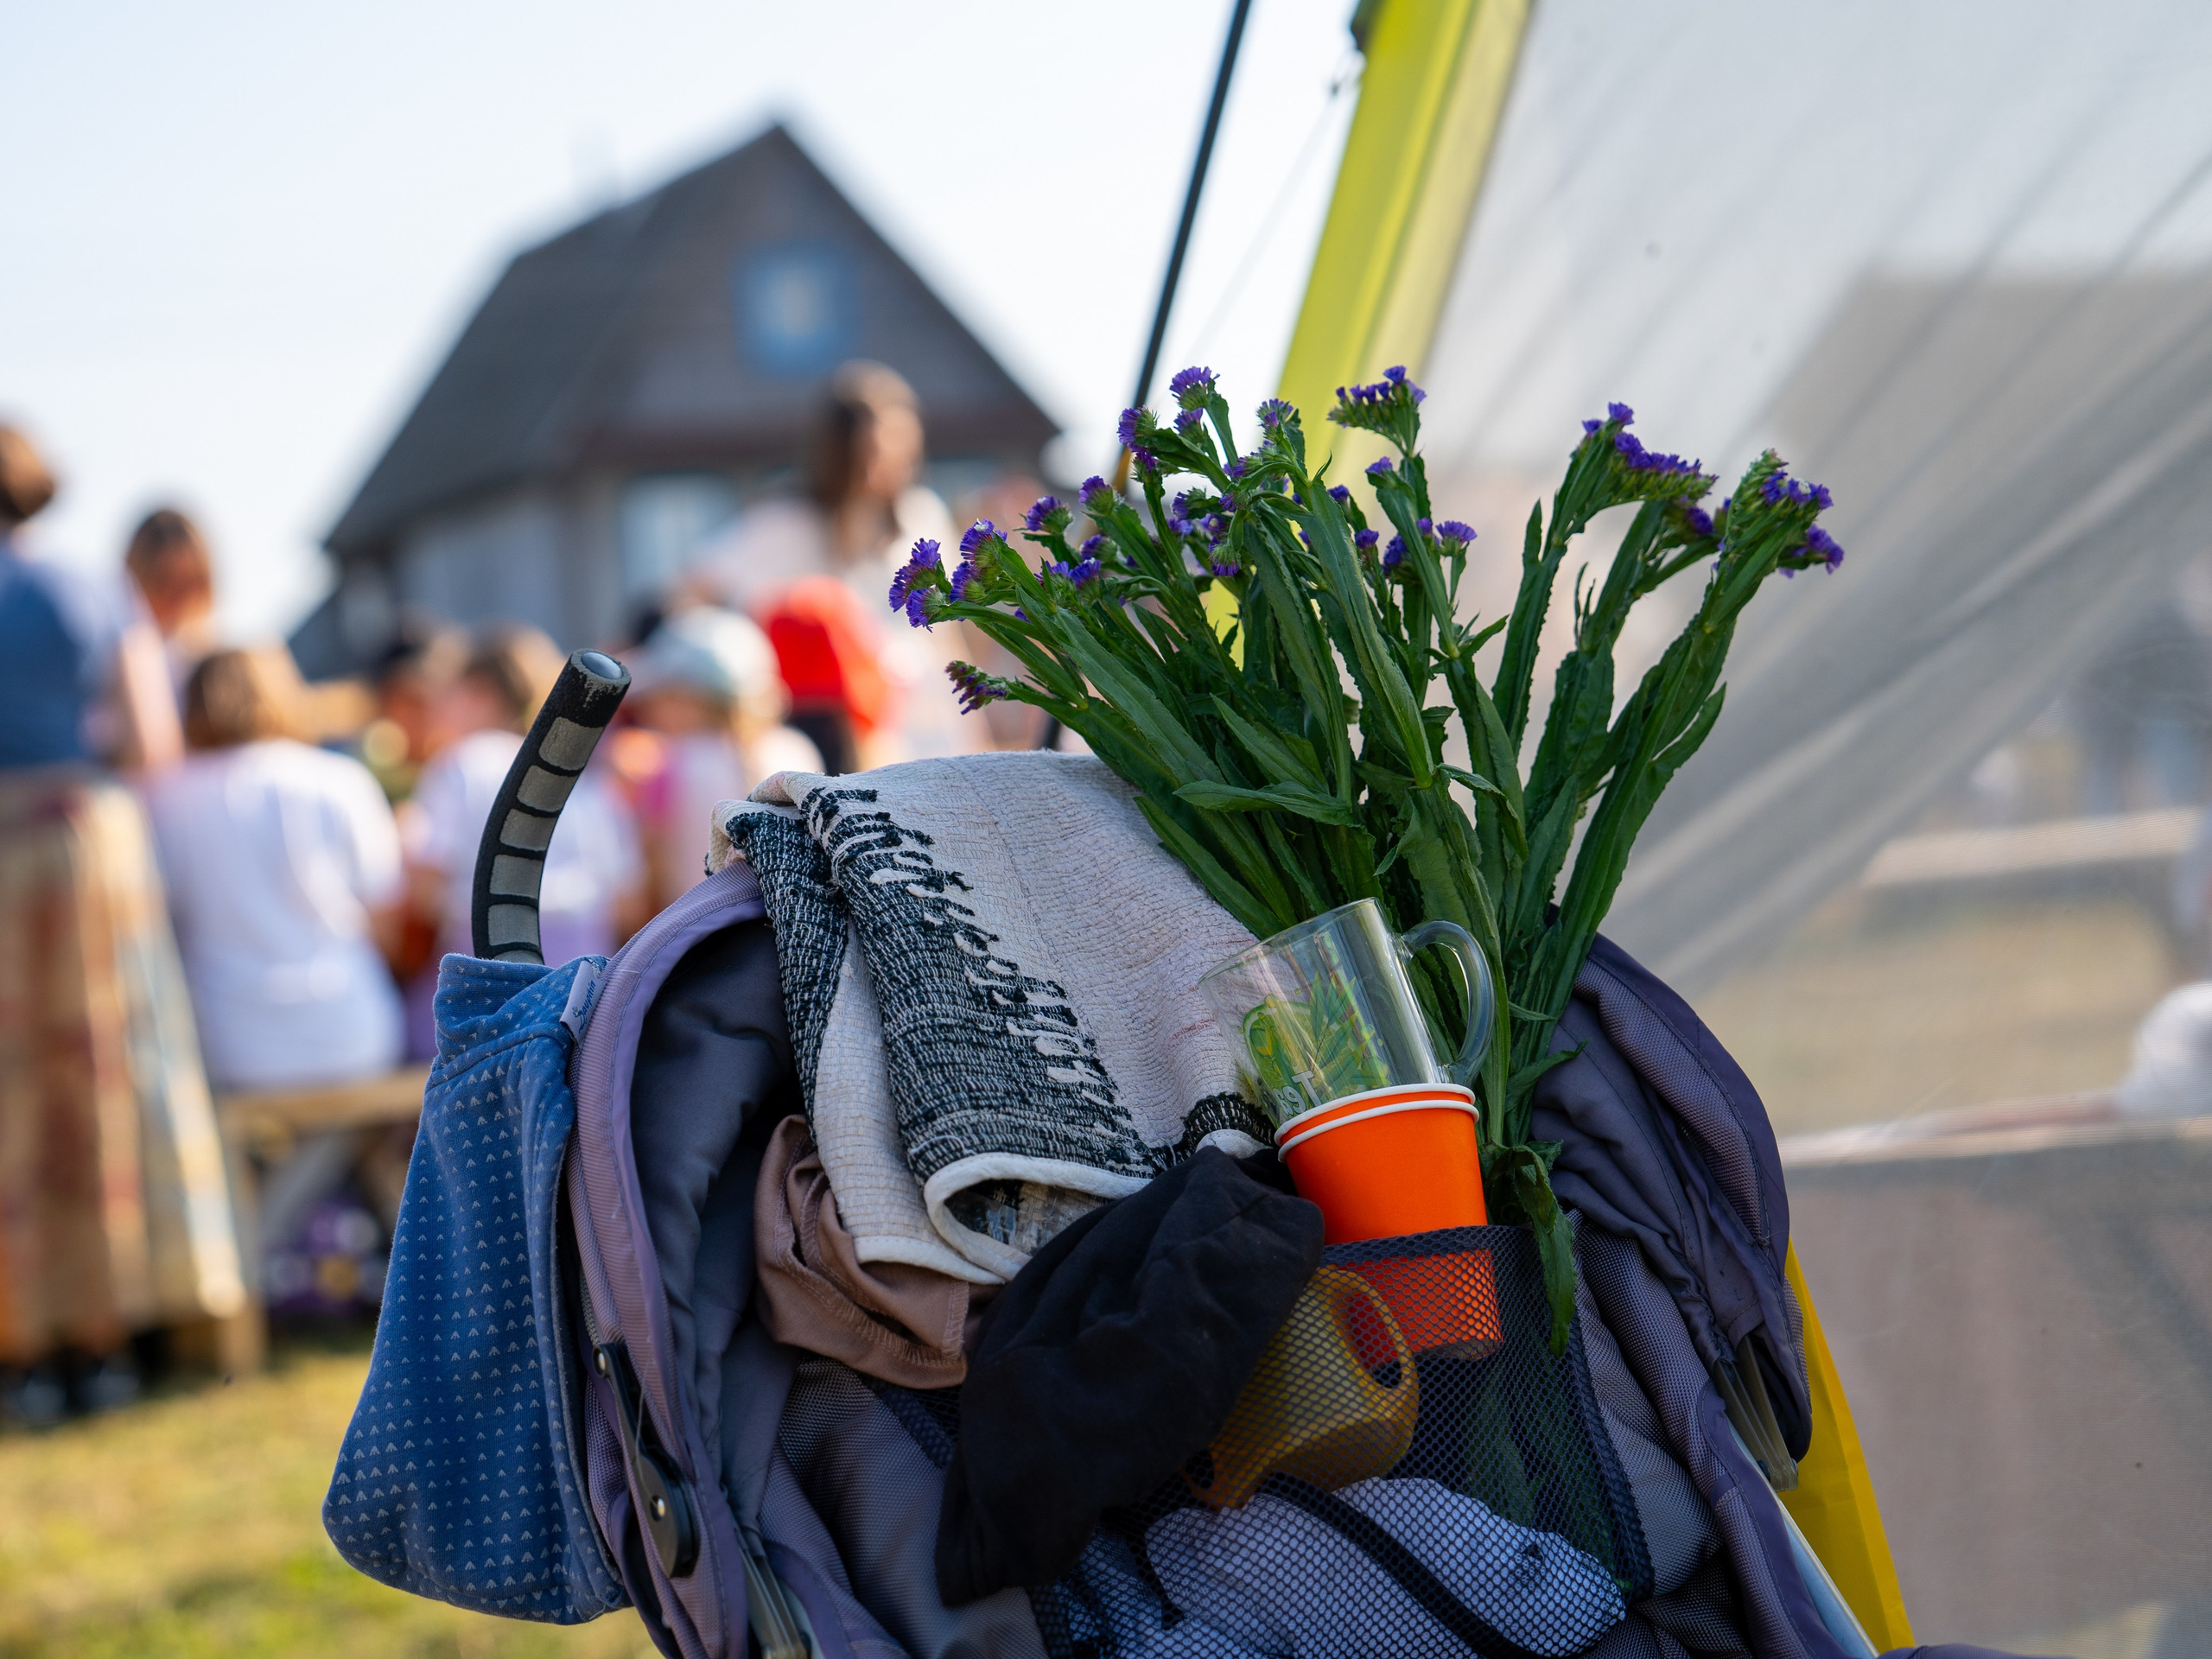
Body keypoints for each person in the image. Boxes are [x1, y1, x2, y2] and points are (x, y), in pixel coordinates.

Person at [0, 424, 241, 1422]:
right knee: (101, 1086)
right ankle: (107, 1343)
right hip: (85, 846)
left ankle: (19, 1355)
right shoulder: (91, 591)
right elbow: (150, 742)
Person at [685, 359, 979, 769]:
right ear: (841, 450)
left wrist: (978, 721)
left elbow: (947, 635)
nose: (895, 462)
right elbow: (691, 593)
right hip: (839, 737)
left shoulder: (921, 516)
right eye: (877, 448)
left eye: (904, 446)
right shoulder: (786, 523)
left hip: (930, 721)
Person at [143, 646, 407, 1092]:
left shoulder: (166, 800)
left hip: (229, 1046)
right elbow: (388, 917)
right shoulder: (339, 779)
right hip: (352, 1032)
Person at [401, 623, 647, 967]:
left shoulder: (462, 764)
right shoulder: (589, 773)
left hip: (489, 955)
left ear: (479, 694)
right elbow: (628, 903)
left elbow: (427, 889)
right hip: (587, 963)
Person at [615, 606, 823, 908]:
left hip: (704, 939)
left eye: (661, 695)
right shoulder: (795, 749)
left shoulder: (671, 766)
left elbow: (653, 883)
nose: (648, 710)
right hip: (795, 932)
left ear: (689, 700)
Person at [122, 506, 219, 691]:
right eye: (165, 581)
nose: (178, 597)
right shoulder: (116, 654)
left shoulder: (210, 665)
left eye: (189, 583)